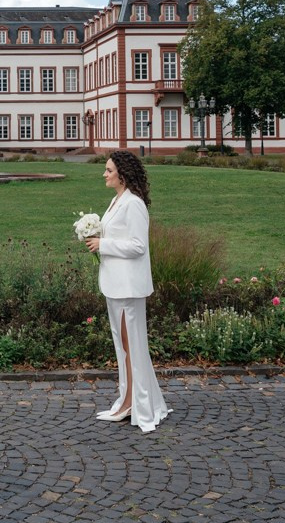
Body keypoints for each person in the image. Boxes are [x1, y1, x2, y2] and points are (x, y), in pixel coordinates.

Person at [84, 150, 169, 433]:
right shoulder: (116, 200)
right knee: (124, 347)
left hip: (128, 287)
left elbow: (138, 246)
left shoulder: (133, 204)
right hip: (115, 283)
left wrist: (102, 245)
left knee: (131, 347)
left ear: (122, 174)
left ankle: (136, 403)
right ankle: (128, 398)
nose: (104, 174)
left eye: (109, 170)